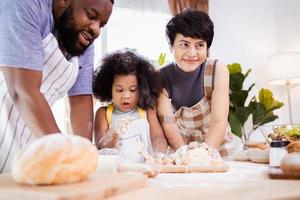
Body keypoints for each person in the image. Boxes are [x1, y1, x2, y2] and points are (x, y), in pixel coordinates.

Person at [0, 0, 114, 173]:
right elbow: (21, 90)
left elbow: (81, 99)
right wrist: (66, 153)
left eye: (102, 25)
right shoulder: (25, 5)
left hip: (31, 141)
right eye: (91, 16)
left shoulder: (82, 39)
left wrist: (84, 156)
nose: (96, 29)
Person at [157, 9, 234, 158]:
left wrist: (205, 154)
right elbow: (168, 123)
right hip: (180, 146)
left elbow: (219, 121)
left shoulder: (218, 70)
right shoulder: (161, 77)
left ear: (207, 47)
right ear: (171, 46)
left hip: (216, 145)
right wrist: (183, 154)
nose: (192, 53)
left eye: (199, 45)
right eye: (184, 44)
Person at [93, 49, 168, 163]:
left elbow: (158, 137)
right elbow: (100, 147)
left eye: (133, 90)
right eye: (119, 90)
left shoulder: (146, 111)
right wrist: (111, 136)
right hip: (118, 171)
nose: (126, 96)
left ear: (142, 88)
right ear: (109, 88)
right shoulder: (103, 113)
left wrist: (159, 155)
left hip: (146, 168)